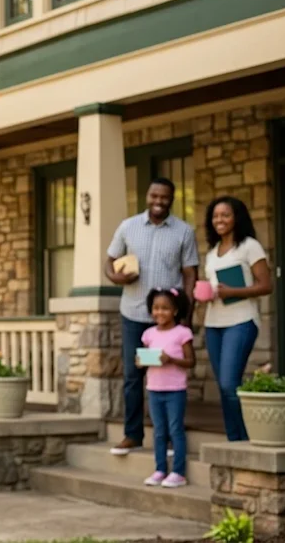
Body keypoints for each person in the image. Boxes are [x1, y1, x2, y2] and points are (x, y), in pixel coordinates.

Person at [104, 178, 199, 456]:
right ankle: (133, 434)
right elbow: (109, 261)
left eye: (164, 197)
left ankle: (168, 437)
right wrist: (116, 277)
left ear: (172, 199)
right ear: (147, 196)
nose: (158, 201)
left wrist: (187, 314)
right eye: (154, 195)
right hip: (134, 314)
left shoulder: (184, 231)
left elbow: (190, 274)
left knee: (168, 375)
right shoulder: (128, 227)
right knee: (133, 376)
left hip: (168, 320)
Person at [198, 195, 272, 442]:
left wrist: (233, 292)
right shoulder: (212, 253)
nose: (219, 220)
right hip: (213, 324)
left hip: (241, 322)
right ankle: (234, 439)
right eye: (215, 216)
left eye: (225, 215)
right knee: (224, 387)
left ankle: (244, 440)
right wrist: (207, 294)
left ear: (236, 218)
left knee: (230, 384)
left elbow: (266, 285)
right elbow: (215, 287)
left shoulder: (250, 246)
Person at [139, 287, 195, 488]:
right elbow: (145, 358)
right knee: (159, 431)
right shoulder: (148, 334)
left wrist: (170, 359)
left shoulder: (182, 333)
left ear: (175, 311)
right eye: (156, 308)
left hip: (175, 389)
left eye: (165, 308)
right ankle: (160, 469)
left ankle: (178, 472)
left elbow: (191, 362)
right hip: (154, 389)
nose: (159, 312)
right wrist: (141, 361)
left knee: (175, 429)